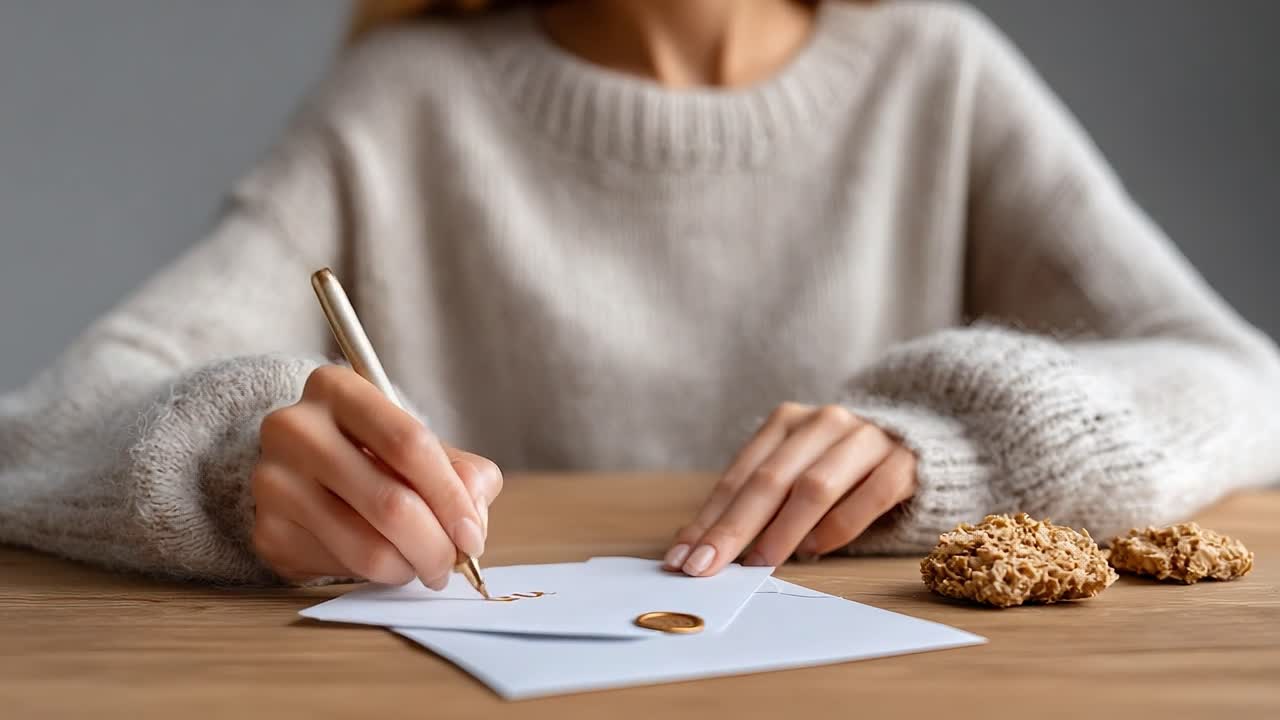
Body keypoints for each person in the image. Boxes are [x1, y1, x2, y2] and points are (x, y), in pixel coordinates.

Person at [2, 0, 1277, 588]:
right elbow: (49, 420)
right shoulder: (403, 103)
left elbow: (1235, 377)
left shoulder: (934, 69)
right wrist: (233, 470)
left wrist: (956, 444)